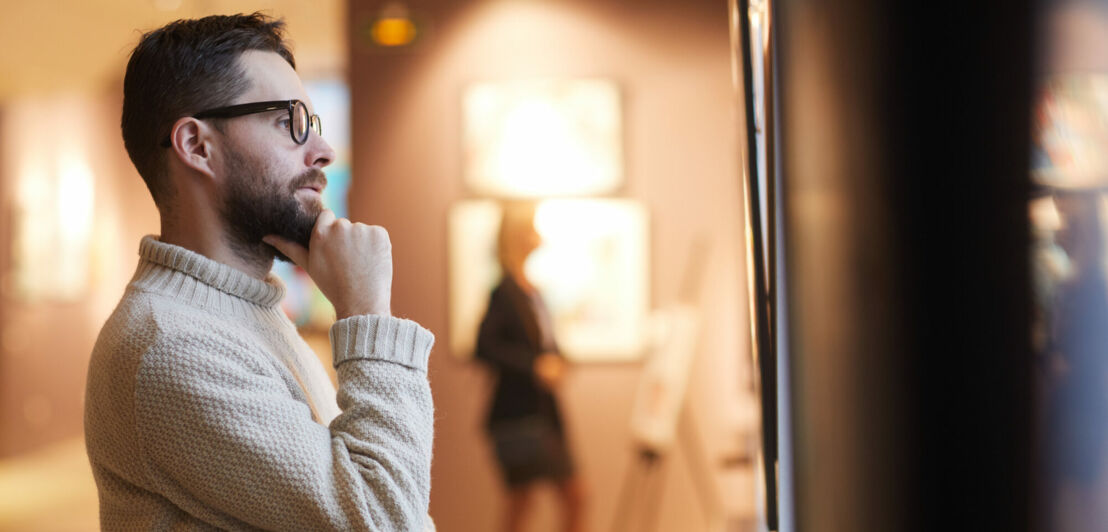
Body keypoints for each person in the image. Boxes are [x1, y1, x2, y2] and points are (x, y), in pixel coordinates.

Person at [84, 13, 435, 531]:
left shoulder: (236, 314)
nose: (323, 151)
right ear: (197, 146)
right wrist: (368, 314)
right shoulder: (173, 348)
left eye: (311, 123)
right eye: (288, 121)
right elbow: (387, 521)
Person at [475, 203, 586, 532]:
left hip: (543, 413)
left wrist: (560, 361)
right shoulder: (504, 292)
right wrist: (535, 367)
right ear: (518, 235)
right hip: (519, 417)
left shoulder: (532, 291)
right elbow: (484, 347)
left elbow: (545, 345)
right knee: (531, 502)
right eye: (532, 228)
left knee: (543, 500)